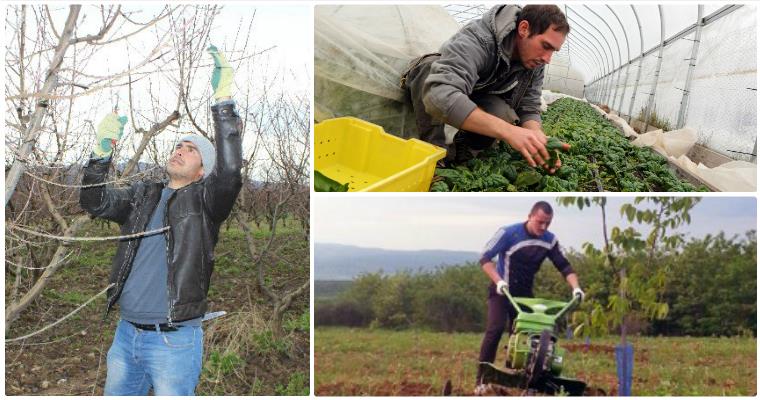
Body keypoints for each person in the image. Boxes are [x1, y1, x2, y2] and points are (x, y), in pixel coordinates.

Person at [79, 45, 242, 396]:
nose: (180, 149)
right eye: (179, 145)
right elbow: (94, 202)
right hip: (126, 335)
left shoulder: (205, 203)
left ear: (202, 171)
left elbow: (230, 172)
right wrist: (100, 156)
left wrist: (224, 102)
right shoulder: (142, 195)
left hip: (174, 342)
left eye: (192, 149)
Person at [402, 5, 570, 169]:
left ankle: (464, 157)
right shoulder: (480, 38)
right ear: (524, 28)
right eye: (546, 46)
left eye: (553, 51)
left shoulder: (536, 61)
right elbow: (440, 94)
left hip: (477, 92)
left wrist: (537, 138)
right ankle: (434, 157)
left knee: (502, 113)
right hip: (443, 84)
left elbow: (529, 105)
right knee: (429, 71)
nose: (548, 59)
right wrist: (509, 132)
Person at [475, 201, 583, 393]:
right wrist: (499, 281)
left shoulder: (549, 240)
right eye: (540, 222)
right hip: (502, 290)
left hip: (525, 297)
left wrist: (576, 288)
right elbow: (485, 258)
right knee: (496, 328)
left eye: (548, 223)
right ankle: (481, 381)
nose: (543, 227)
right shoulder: (509, 233)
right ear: (530, 216)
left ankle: (520, 378)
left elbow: (564, 266)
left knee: (527, 337)